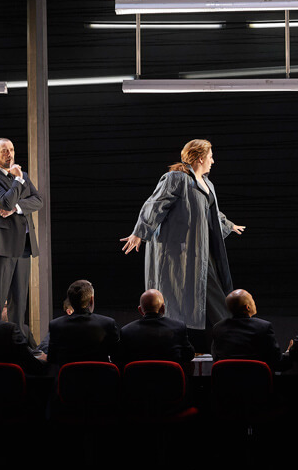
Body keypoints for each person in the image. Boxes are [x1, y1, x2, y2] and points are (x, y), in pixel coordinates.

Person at [121, 139, 245, 348]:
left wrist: (229, 225)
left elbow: (213, 213)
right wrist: (139, 233)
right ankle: (174, 345)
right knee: (176, 299)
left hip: (202, 251)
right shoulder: (176, 178)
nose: (213, 161)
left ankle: (234, 340)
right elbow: (155, 204)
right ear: (200, 158)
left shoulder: (207, 184)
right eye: (211, 157)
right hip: (178, 253)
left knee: (216, 297)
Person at [0, 138, 44, 341]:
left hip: (23, 245)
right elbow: (5, 201)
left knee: (20, 301)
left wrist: (16, 207)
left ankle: (18, 343)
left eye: (12, 149)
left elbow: (38, 200)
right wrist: (17, 182)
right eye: (4, 150)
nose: (9, 154)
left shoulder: (22, 175)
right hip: (1, 245)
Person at [46, 280, 120, 368]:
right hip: (100, 375)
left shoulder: (55, 325)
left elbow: (52, 359)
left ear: (70, 300)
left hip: (69, 376)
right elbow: (117, 356)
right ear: (91, 299)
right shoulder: (108, 323)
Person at [117, 289, 195, 366]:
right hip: (168, 374)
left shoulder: (126, 331)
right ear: (163, 309)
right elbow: (189, 355)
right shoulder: (178, 327)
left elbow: (118, 358)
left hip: (139, 375)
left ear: (140, 310)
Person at [211, 289, 283, 370]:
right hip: (256, 377)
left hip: (227, 377)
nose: (254, 302)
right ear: (247, 307)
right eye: (252, 299)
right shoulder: (264, 327)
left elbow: (216, 357)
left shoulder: (218, 328)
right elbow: (277, 362)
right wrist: (288, 353)